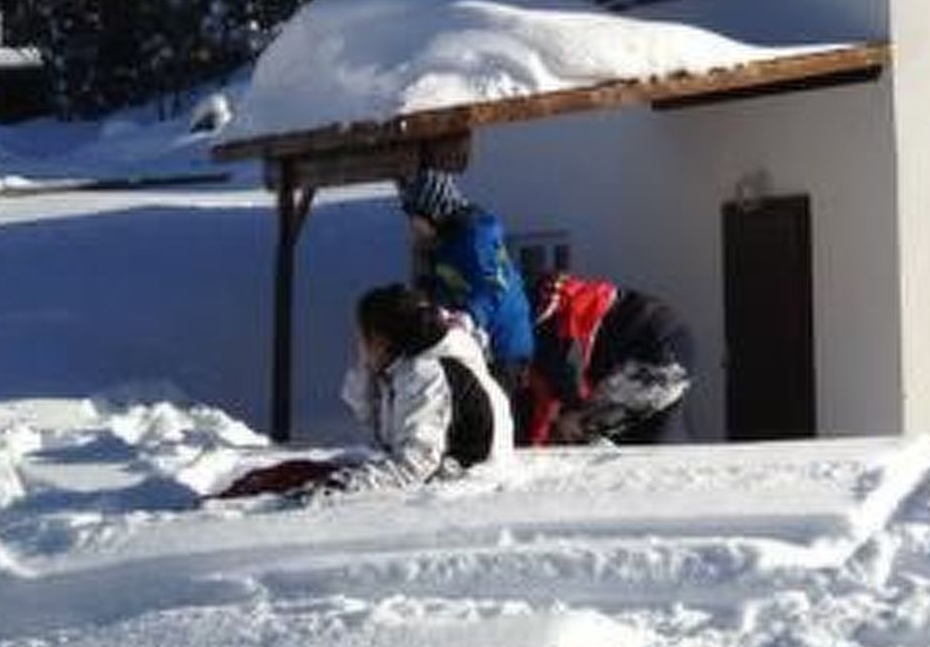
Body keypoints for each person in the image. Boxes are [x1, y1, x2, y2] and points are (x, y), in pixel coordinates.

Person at [213, 284, 513, 499]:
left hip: (460, 485)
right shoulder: (402, 368)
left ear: (381, 340)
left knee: (303, 484)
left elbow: (415, 463)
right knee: (291, 474)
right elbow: (378, 425)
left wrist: (341, 487)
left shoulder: (426, 373)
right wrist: (367, 373)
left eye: (361, 337)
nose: (357, 344)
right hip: (439, 477)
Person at [399, 165, 534, 399]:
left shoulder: (474, 240)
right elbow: (451, 286)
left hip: (503, 346)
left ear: (433, 211)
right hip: (482, 342)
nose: (413, 226)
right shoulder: (445, 245)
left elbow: (493, 288)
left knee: (491, 411)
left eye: (416, 217)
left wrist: (469, 316)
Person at [524, 266, 694, 446]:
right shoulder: (583, 294)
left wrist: (541, 439)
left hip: (652, 350)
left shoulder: (556, 316)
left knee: (575, 429)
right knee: (653, 434)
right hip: (673, 339)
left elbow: (560, 381)